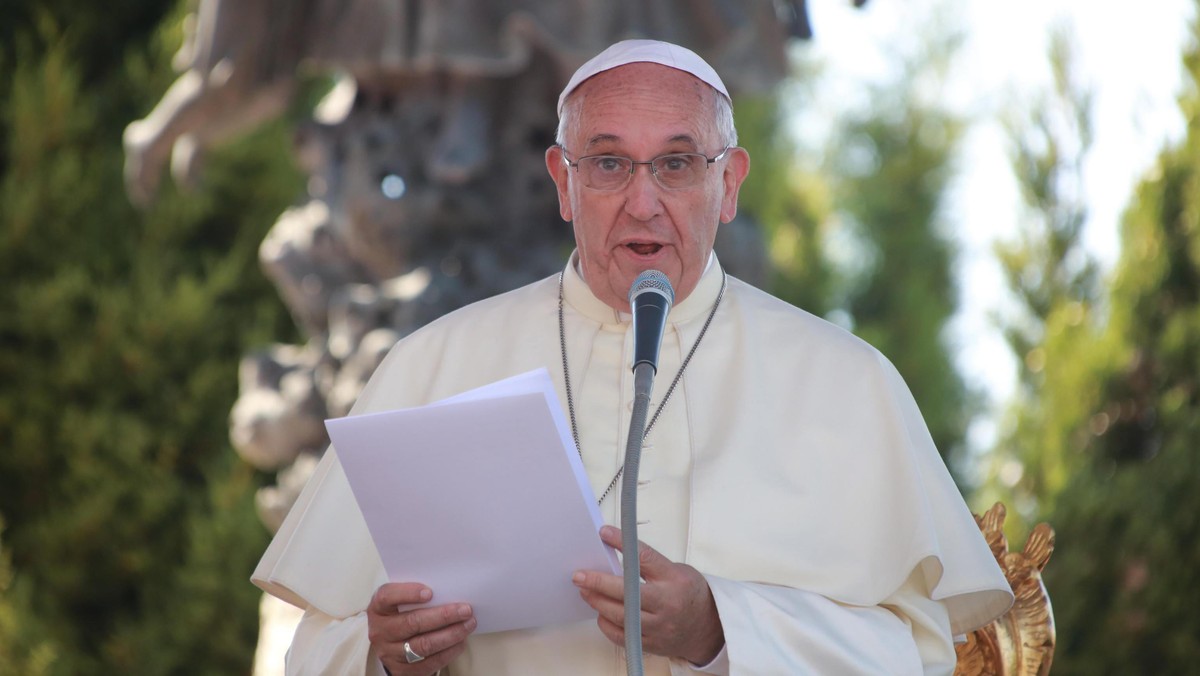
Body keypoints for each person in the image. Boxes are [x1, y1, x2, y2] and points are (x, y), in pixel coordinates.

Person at [252, 39, 1013, 675]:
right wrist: (387, 658)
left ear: (729, 183)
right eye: (609, 164)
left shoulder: (847, 384)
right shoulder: (433, 368)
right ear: (564, 182)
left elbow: (918, 654)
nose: (643, 202)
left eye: (678, 165)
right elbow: (314, 647)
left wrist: (723, 629)